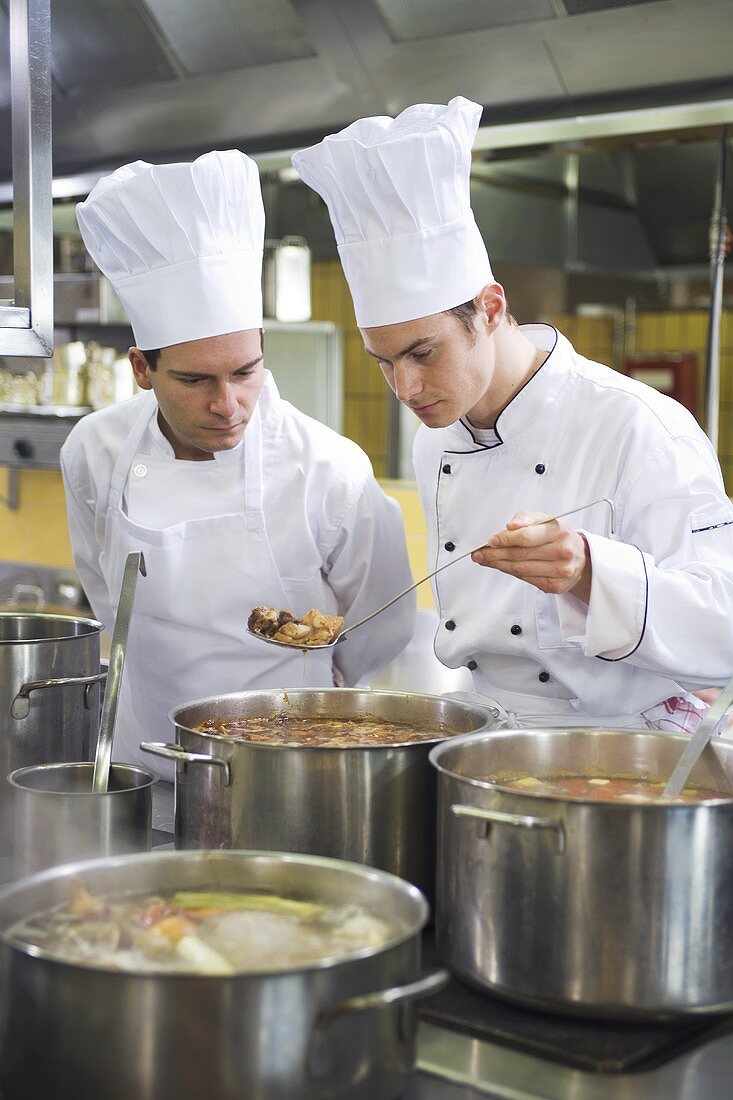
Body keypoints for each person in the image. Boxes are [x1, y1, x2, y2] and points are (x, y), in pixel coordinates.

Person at [292, 96, 733, 731]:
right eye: (384, 361)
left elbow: (722, 630)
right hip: (482, 733)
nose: (405, 387)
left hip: (619, 747)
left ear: (491, 308)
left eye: (422, 352)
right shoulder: (434, 442)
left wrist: (590, 571)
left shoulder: (638, 426)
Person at [61, 150, 415, 804]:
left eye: (245, 371)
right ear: (141, 368)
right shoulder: (95, 449)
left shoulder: (328, 470)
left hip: (286, 780)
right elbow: (106, 596)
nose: (228, 404)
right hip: (142, 774)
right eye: (195, 380)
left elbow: (379, 629)